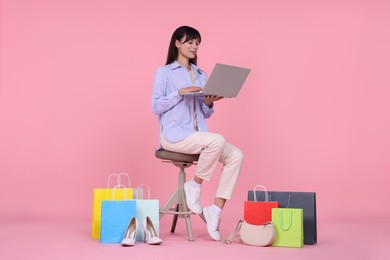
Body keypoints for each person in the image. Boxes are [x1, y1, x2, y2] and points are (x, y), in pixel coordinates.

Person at [151, 25, 244, 241]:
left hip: (198, 136)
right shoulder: (164, 73)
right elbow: (155, 106)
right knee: (216, 140)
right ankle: (194, 185)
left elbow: (204, 112)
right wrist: (178, 93)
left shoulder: (202, 75)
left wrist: (210, 103)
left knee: (237, 155)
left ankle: (215, 211)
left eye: (197, 43)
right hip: (174, 137)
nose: (194, 46)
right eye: (190, 42)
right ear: (177, 43)